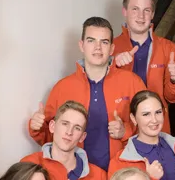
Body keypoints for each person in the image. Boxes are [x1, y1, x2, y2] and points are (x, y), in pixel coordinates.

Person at [28, 17, 146, 171]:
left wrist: (125, 132)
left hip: (123, 174)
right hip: (77, 175)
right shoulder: (62, 88)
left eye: (104, 42)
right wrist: (37, 128)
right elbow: (50, 139)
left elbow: (152, 129)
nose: (98, 48)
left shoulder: (132, 83)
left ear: (111, 49)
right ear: (81, 45)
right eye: (91, 41)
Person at [112, 0, 175, 133]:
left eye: (146, 10)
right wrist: (113, 65)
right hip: (120, 129)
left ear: (152, 14)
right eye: (135, 9)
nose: (141, 16)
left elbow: (172, 98)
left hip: (156, 129)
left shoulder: (168, 48)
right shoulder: (111, 47)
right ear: (124, 11)